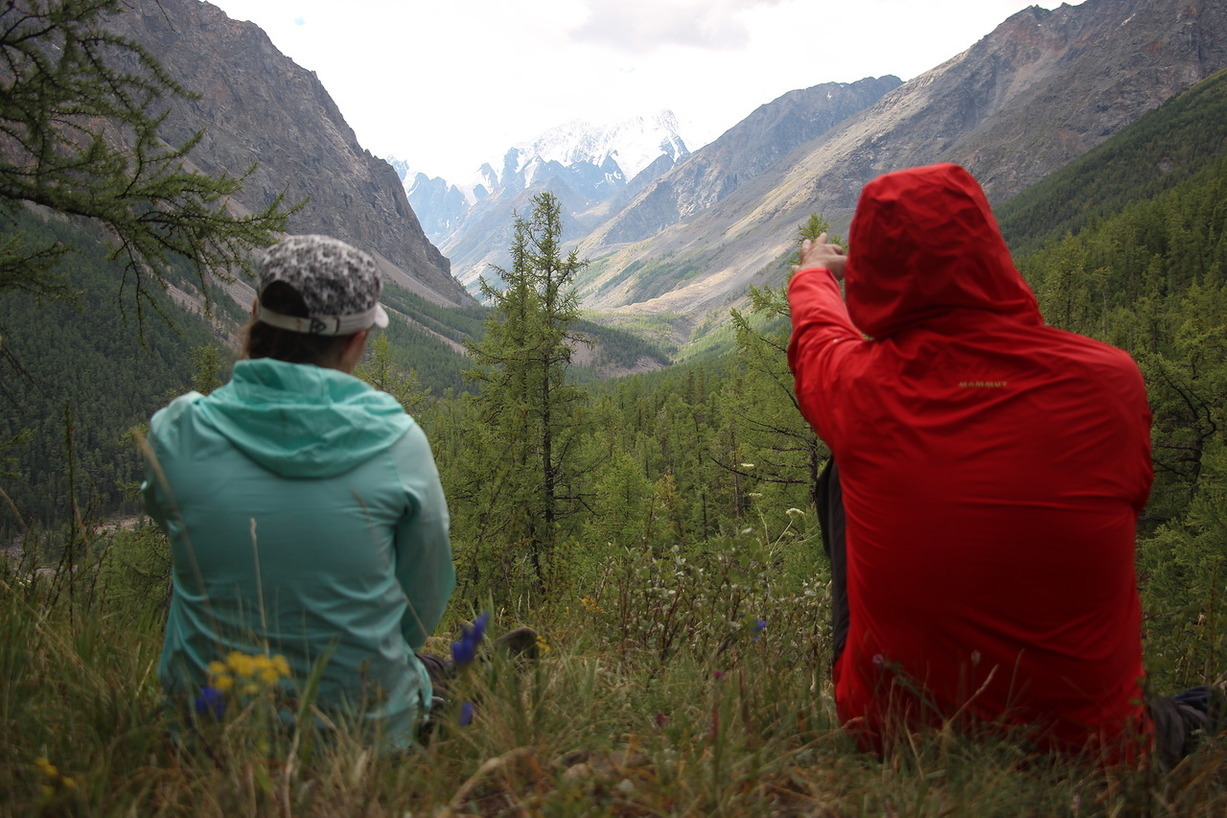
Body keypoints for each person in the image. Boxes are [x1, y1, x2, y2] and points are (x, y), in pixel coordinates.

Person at [787, 162, 1214, 764]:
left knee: (845, 469)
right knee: (1195, 712)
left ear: (873, 273)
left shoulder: (861, 390)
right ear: (989, 247)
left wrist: (813, 274)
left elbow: (818, 339)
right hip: (1096, 747)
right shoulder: (1110, 381)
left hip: (896, 736)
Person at [142, 234, 454, 749]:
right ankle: (448, 680)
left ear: (254, 310)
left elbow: (162, 511)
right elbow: (424, 595)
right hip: (363, 735)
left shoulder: (179, 433)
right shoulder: (400, 443)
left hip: (205, 730)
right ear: (356, 340)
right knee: (426, 670)